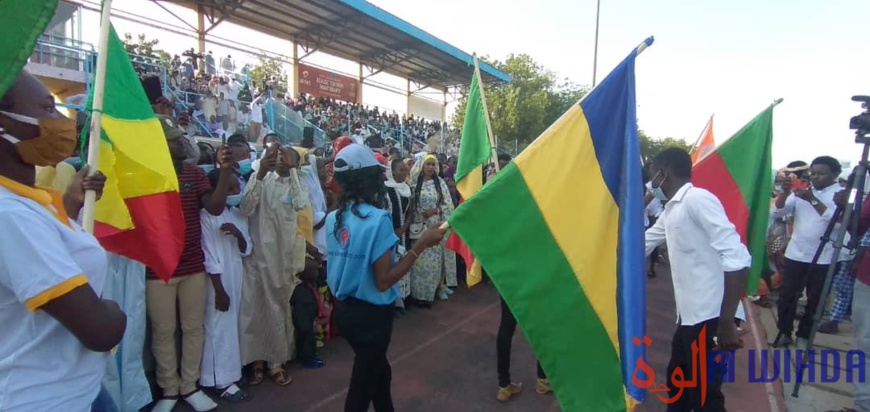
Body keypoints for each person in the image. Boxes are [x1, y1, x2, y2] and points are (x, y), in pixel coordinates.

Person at [0, 70, 126, 410]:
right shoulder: (10, 214)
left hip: (81, 390)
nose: (62, 121)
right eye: (47, 108)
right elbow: (100, 330)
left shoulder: (30, 203)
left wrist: (72, 202)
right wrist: (114, 311)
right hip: (43, 399)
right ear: (3, 124)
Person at [326, 144, 446, 412]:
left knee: (380, 374)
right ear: (368, 179)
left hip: (344, 312)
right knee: (360, 390)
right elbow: (384, 280)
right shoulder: (378, 219)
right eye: (378, 175)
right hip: (372, 318)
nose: (382, 180)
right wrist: (422, 243)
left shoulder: (334, 217)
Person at [644, 148, 750, 412]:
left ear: (662, 174)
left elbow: (738, 257)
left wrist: (726, 323)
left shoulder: (697, 200)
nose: (650, 185)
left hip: (711, 317)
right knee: (679, 385)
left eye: (651, 179)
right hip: (690, 316)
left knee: (705, 396)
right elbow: (639, 244)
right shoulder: (671, 210)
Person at [148, 115, 232, 412]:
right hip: (157, 269)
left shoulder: (194, 173)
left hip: (194, 266)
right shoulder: (143, 175)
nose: (181, 141)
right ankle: (169, 391)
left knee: (193, 328)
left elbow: (215, 206)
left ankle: (189, 387)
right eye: (173, 138)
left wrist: (224, 172)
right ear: (158, 143)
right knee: (163, 331)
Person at [238, 143, 308, 387]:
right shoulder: (259, 178)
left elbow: (301, 203)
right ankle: (257, 361)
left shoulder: (295, 183)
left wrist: (294, 172)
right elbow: (246, 207)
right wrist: (259, 175)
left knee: (278, 310)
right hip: (256, 258)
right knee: (254, 310)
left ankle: (275, 362)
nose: (281, 159)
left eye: (286, 155)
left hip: (281, 260)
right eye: (277, 155)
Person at [770, 156, 842, 347]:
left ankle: (804, 335)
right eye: (813, 173)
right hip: (796, 253)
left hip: (823, 257)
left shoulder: (841, 194)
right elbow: (777, 212)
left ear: (835, 174)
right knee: (787, 296)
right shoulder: (801, 191)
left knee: (815, 300)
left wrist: (812, 200)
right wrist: (785, 194)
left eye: (821, 173)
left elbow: (837, 223)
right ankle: (784, 331)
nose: (816, 177)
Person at [199, 168, 252, 402]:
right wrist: (219, 290)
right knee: (217, 327)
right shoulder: (207, 215)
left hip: (235, 275)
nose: (235, 191)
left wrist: (239, 235)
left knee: (231, 326)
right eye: (229, 188)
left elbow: (247, 248)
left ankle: (231, 373)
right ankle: (218, 380)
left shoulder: (238, 214)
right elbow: (209, 255)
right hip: (217, 282)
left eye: (236, 187)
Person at [291, 256, 326, 369]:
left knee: (310, 339)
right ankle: (308, 359)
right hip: (305, 322)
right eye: (314, 270)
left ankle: (310, 355)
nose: (317, 273)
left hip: (311, 319)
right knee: (306, 340)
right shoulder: (301, 290)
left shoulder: (310, 285)